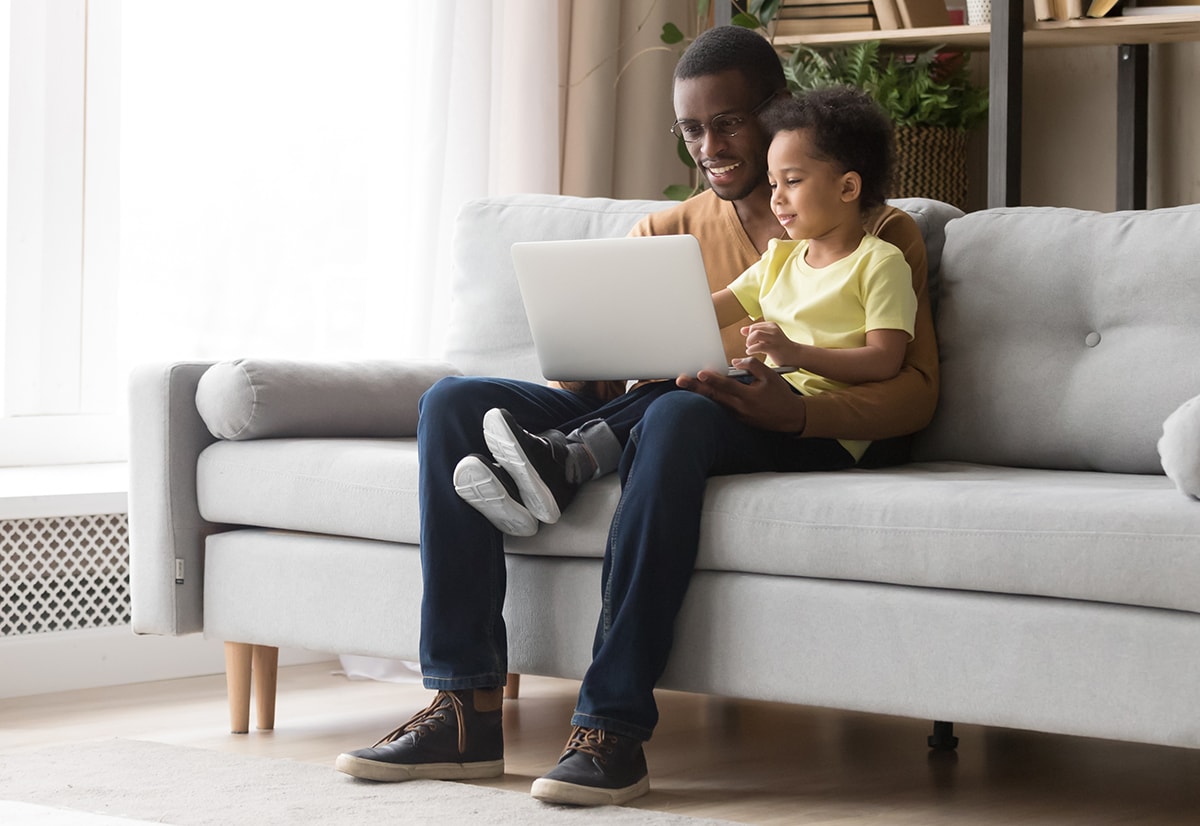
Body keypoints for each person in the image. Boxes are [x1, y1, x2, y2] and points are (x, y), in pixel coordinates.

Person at [335, 25, 938, 807]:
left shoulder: (878, 235)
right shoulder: (666, 230)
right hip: (649, 410)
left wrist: (788, 411)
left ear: (778, 113)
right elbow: (604, 390)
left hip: (770, 419)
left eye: (728, 122)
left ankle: (611, 728)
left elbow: (914, 390)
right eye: (692, 129)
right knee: (453, 403)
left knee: (679, 412)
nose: (710, 146)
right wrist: (583, 344)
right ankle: (462, 712)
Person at [468, 85, 917, 533]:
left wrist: (798, 353)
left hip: (826, 435)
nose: (776, 197)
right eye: (774, 182)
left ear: (849, 187)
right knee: (682, 383)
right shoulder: (779, 258)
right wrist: (601, 319)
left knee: (689, 398)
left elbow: (886, 360)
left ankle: (562, 457)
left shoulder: (881, 261)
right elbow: (699, 314)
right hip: (771, 399)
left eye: (792, 182)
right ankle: (556, 459)